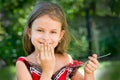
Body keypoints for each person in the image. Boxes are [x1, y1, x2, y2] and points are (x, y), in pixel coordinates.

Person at [16, 2, 99, 80]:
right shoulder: (23, 64)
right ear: (30, 32)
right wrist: (47, 71)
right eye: (40, 30)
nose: (46, 37)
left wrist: (89, 73)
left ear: (60, 36)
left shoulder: (66, 60)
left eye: (53, 32)